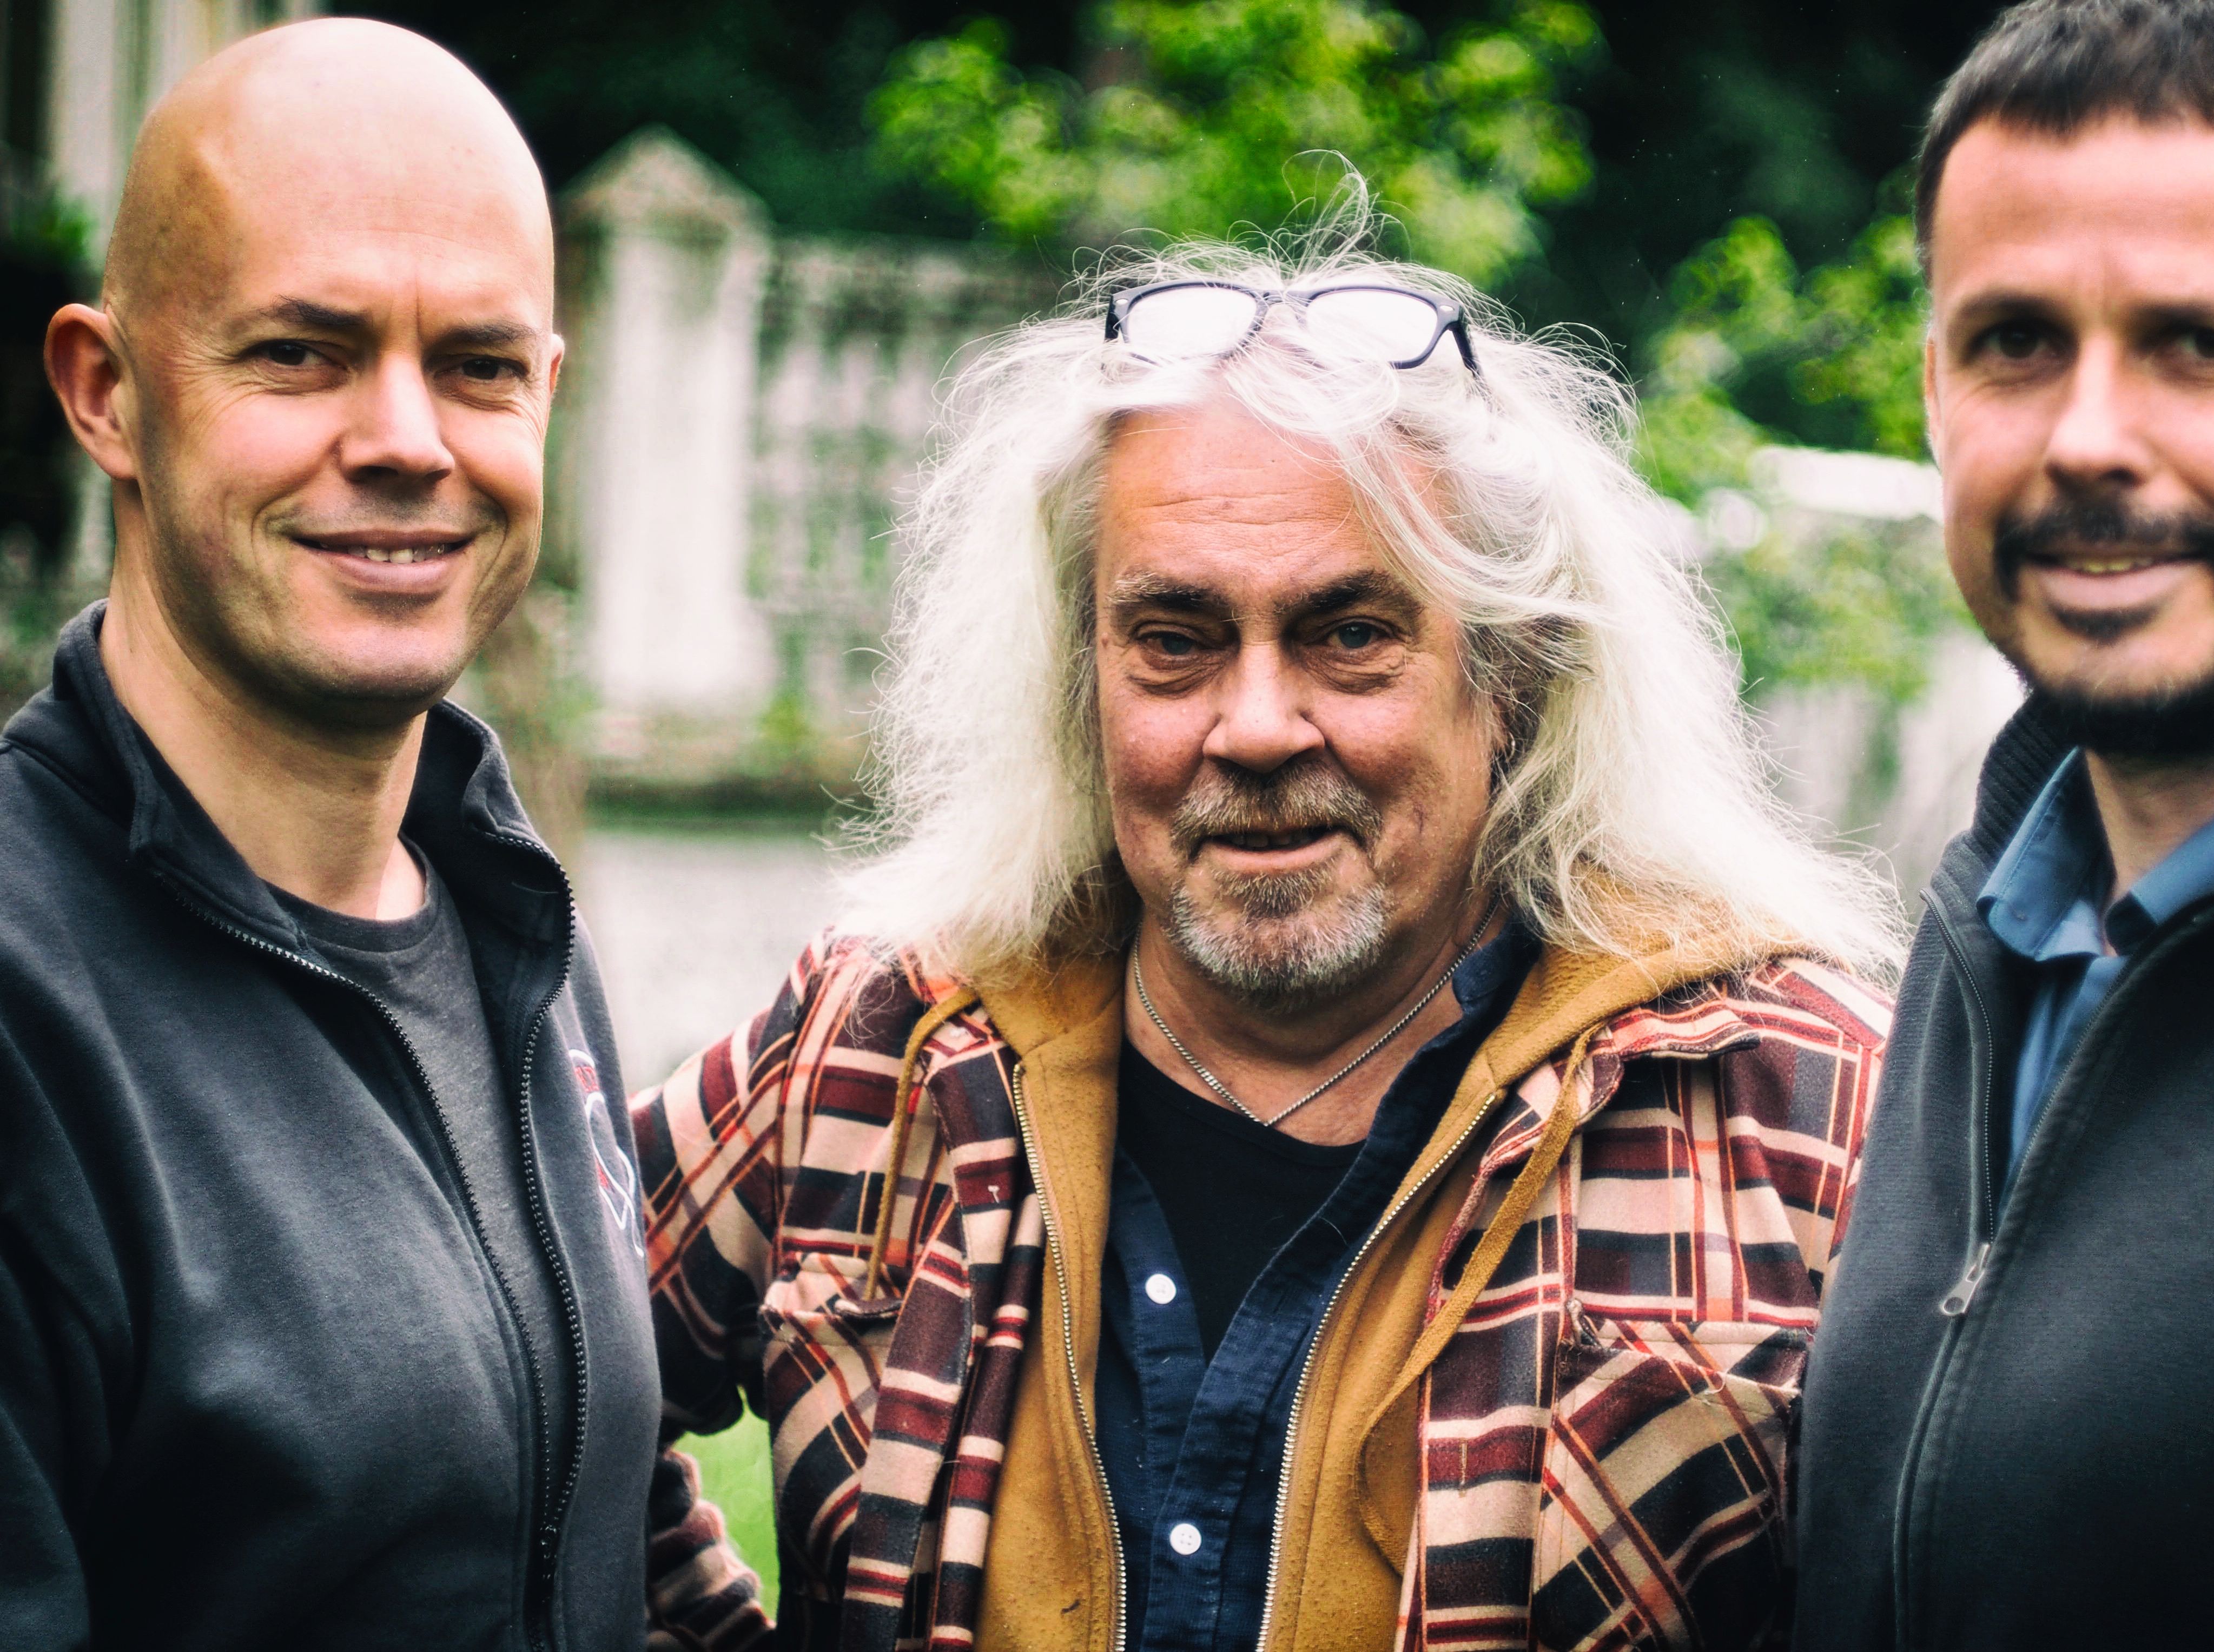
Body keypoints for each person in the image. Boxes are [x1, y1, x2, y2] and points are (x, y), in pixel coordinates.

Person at [635, 235, 1896, 1651]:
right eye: (1174, 639)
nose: (1253, 727)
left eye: (1348, 634)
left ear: (1512, 677)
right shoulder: (877, 1046)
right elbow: (509, 1382)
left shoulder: (1802, 1115)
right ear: (1079, 682)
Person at [1792, 1, 2214, 1647]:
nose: (2089, 438)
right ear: (1935, 389)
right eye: (2015, 342)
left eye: (2196, 344)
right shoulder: (1990, 918)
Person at [0, 20, 658, 1649]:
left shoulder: (505, 910)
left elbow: (568, 1505)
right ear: (107, 393)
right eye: (302, 352)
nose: (409, 440)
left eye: (480, 365)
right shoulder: (26, 1005)